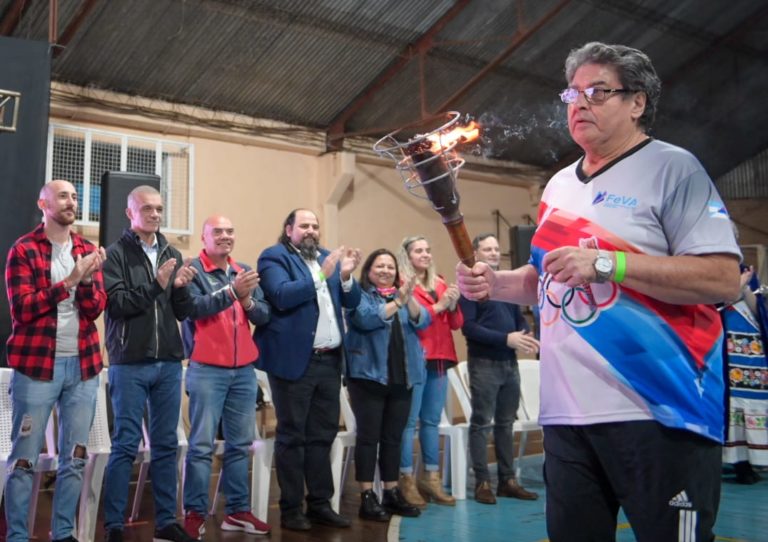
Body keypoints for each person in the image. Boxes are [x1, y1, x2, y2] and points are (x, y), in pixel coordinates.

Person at [457, 42, 741, 542]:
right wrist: (495, 284)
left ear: (637, 102)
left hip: (658, 407)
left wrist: (608, 263)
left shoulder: (674, 169)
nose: (579, 103)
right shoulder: (559, 185)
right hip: (567, 414)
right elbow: (544, 279)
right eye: (572, 92)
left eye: (597, 92)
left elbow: (720, 278)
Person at [4, 179, 107, 542]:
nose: (71, 201)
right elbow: (23, 309)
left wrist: (89, 281)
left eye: (75, 197)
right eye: (63, 195)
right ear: (43, 204)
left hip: (82, 368)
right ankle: (17, 535)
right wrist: (70, 281)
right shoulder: (24, 249)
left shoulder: (86, 248)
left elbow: (94, 309)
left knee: (75, 457)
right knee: (24, 460)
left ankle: (63, 533)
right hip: (36, 370)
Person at [255, 208, 362, 531]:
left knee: (322, 435)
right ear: (289, 230)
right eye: (304, 226)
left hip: (329, 361)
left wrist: (344, 276)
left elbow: (352, 301)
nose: (311, 231)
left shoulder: (328, 258)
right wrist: (321, 273)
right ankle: (290, 509)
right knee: (292, 436)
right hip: (293, 362)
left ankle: (320, 504)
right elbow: (282, 296)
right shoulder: (273, 257)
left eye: (315, 226)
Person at [101, 185, 197, 542]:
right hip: (130, 362)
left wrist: (183, 287)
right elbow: (118, 304)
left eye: (159, 208)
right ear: (130, 213)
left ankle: (166, 522)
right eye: (147, 208)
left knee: (166, 443)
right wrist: (158, 285)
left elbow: (183, 312)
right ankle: (113, 524)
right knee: (125, 443)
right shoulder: (115, 255)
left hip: (169, 362)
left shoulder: (171, 252)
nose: (155, 214)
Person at [181, 215, 271, 538]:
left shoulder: (242, 269)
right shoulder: (192, 270)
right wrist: (233, 292)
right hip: (207, 370)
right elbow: (195, 308)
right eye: (217, 231)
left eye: (230, 231)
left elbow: (263, 314)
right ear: (204, 237)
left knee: (240, 444)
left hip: (243, 371)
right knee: (202, 444)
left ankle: (237, 510)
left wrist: (246, 298)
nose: (224, 236)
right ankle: (194, 511)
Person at [344, 249, 429, 522]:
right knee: (369, 438)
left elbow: (423, 320)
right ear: (368, 271)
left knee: (393, 438)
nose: (385, 270)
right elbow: (366, 318)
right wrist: (398, 301)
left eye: (390, 267)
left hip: (401, 377)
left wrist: (408, 296)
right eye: (379, 266)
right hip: (367, 377)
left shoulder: (402, 296)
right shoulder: (359, 295)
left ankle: (391, 492)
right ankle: (367, 496)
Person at [458, 233, 540, 504]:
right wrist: (506, 339)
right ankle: (482, 482)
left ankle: (508, 480)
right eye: (487, 249)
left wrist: (525, 334)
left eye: (496, 249)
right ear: (476, 253)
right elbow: (468, 327)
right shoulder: (471, 286)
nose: (494, 253)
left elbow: (519, 320)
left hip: (509, 363)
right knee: (482, 424)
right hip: (484, 363)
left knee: (506, 424)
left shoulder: (504, 286)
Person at [397, 235, 463, 507]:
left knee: (432, 421)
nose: (425, 254)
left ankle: (431, 477)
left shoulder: (440, 282)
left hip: (441, 357)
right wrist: (440, 305)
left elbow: (456, 323)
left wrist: (455, 302)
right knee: (409, 422)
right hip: (416, 358)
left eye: (428, 250)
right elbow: (416, 322)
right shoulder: (403, 283)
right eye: (418, 250)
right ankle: (406, 479)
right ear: (408, 256)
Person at [721, 264, 768, 484]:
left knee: (754, 406)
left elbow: (759, 310)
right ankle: (739, 464)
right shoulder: (715, 272)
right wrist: (737, 286)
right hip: (728, 356)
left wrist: (747, 286)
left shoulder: (747, 273)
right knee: (734, 408)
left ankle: (752, 459)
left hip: (754, 356)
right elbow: (716, 306)